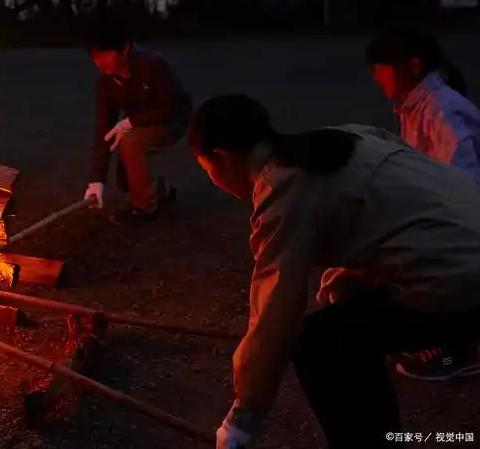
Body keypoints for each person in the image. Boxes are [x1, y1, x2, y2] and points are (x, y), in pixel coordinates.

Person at [189, 95, 480, 449]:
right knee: (348, 319)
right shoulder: (349, 136)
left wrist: (243, 417)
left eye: (208, 170)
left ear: (222, 157)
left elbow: (274, 313)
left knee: (318, 343)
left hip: (463, 280)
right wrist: (364, 270)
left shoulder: (283, 191)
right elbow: (401, 207)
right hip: (465, 253)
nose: (215, 181)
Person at [364, 25, 480, 380]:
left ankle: (458, 347)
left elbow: (463, 184)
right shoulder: (418, 107)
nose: (376, 77)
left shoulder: (443, 110)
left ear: (412, 65)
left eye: (380, 67)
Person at [84, 21, 191, 224]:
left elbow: (170, 107)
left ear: (124, 48)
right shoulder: (106, 83)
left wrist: (130, 122)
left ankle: (144, 210)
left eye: (106, 54)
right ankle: (162, 191)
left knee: (131, 142)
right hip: (139, 123)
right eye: (95, 56)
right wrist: (96, 180)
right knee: (127, 181)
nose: (100, 62)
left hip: (172, 120)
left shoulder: (152, 65)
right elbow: (104, 131)